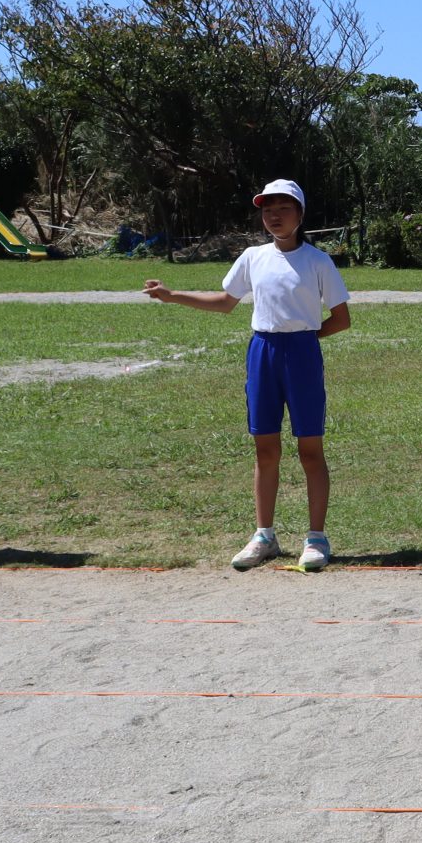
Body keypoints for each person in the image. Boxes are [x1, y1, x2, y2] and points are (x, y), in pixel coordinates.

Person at [144, 178, 352, 571]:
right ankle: (264, 536)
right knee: (265, 448)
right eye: (268, 210)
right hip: (262, 353)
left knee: (310, 450)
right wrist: (172, 296)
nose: (274, 216)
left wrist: (305, 338)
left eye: (284, 208)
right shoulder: (253, 257)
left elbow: (341, 319)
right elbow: (225, 302)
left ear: (301, 214)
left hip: (303, 356)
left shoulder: (318, 261)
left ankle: (316, 538)